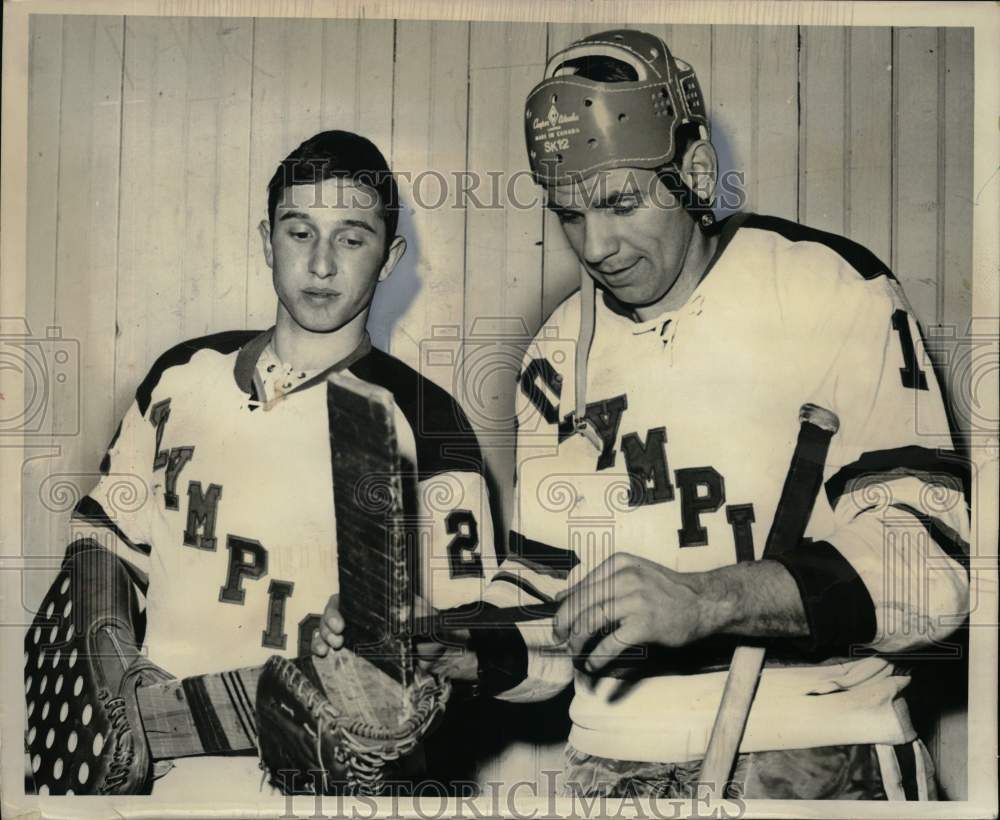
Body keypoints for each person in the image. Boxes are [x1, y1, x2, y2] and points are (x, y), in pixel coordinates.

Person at [315, 29, 971, 801]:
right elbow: (551, 614)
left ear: (694, 171)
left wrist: (709, 599)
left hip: (813, 754)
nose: (596, 246)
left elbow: (934, 568)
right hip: (608, 769)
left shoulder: (830, 290)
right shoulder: (555, 355)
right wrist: (454, 644)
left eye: (621, 203)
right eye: (569, 215)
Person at [24, 130, 497, 798]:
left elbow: (465, 637)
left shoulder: (429, 419)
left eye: (352, 238)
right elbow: (103, 542)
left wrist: (410, 645)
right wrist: (111, 667)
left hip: (331, 786)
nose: (322, 264)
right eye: (299, 232)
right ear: (264, 238)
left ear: (389, 257)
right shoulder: (182, 375)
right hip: (162, 779)